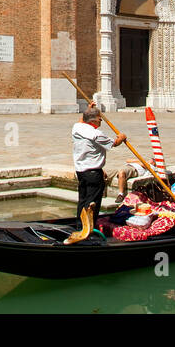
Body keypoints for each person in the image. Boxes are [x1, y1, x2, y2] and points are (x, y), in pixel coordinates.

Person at [66, 104, 126, 244]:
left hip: (81, 172)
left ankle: (80, 227)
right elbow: (114, 143)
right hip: (93, 173)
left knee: (83, 200)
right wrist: (122, 138)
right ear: (93, 120)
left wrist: (88, 108)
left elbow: (82, 120)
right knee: (92, 204)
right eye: (100, 119)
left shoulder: (77, 128)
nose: (101, 121)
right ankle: (89, 232)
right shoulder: (97, 134)